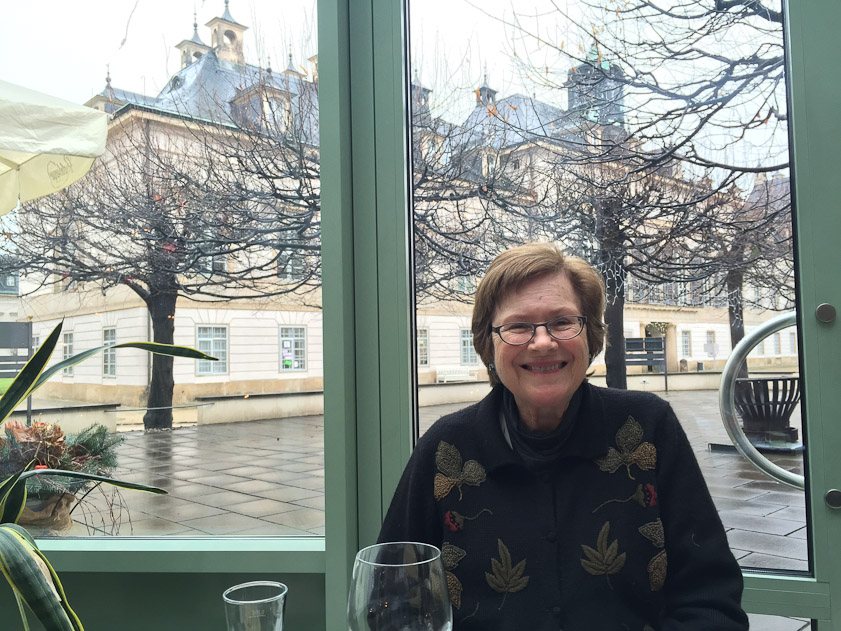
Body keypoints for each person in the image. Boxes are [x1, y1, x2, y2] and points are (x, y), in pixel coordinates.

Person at [378, 242, 748, 631]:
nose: (542, 342)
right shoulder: (446, 449)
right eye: (518, 326)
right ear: (489, 346)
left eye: (562, 322)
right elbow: (394, 598)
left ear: (591, 338)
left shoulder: (646, 430)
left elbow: (711, 599)